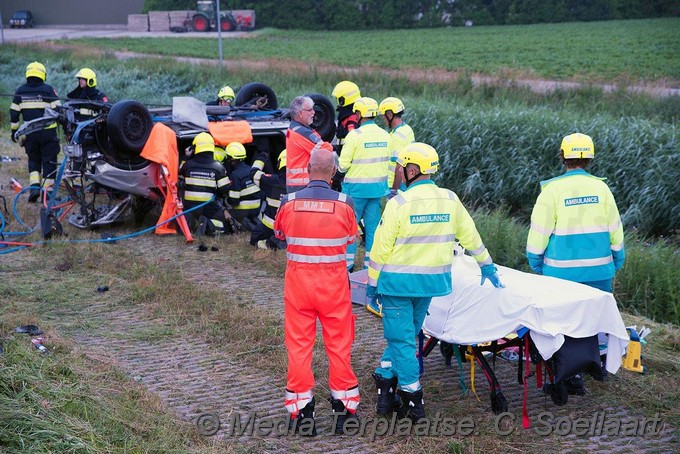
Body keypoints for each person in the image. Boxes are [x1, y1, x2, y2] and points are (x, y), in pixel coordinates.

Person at [367, 142, 504, 422]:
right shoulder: (450, 199)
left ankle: (412, 399)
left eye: (401, 168)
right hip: (430, 284)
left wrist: (372, 283)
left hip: (397, 285)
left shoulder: (399, 204)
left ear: (412, 170)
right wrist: (486, 265)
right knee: (406, 336)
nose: (399, 173)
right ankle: (385, 380)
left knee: (402, 339)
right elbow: (470, 235)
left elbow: (380, 249)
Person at [526, 132, 625, 394]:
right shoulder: (602, 189)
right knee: (593, 319)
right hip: (599, 271)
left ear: (562, 156)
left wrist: (537, 264)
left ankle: (569, 376)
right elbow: (616, 231)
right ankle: (594, 367)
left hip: (561, 274)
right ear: (590, 158)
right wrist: (616, 261)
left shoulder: (552, 190)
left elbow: (538, 234)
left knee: (562, 325)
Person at [273, 149, 360, 435]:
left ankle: (302, 415)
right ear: (334, 172)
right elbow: (351, 239)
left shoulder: (288, 202)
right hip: (334, 287)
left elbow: (279, 234)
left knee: (299, 347)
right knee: (339, 346)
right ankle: (345, 412)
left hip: (299, 286)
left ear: (308, 168)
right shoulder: (345, 203)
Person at [338, 97, 391, 272]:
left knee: (350, 228)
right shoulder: (385, 135)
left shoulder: (355, 135)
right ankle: (370, 267)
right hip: (377, 190)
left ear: (359, 114)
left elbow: (343, 165)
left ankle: (348, 266)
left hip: (356, 191)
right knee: (373, 229)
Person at [10, 61, 62, 202]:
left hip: (30, 134)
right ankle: (48, 193)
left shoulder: (20, 91)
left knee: (33, 160)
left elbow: (14, 113)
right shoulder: (48, 90)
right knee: (49, 161)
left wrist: (14, 132)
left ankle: (34, 188)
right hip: (48, 133)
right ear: (42, 74)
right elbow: (58, 110)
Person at [179, 132, 232, 235]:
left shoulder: (187, 165)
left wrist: (186, 157)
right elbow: (225, 189)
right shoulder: (218, 167)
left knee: (189, 215)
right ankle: (208, 224)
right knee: (226, 227)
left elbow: (179, 174)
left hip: (189, 206)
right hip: (208, 207)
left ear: (194, 148)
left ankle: (192, 223)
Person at [285, 96, 333, 193]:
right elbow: (325, 151)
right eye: (310, 110)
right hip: (304, 186)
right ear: (300, 113)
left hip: (298, 185)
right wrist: (330, 146)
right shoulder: (302, 132)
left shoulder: (295, 129)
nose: (313, 112)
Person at [249, 149, 287, 250]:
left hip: (270, 227)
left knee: (254, 238)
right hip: (292, 229)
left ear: (279, 163)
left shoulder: (271, 181)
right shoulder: (302, 184)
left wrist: (262, 157)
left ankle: (270, 243)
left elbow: (253, 174)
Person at [379, 97, 414, 199]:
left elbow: (399, 165)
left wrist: (394, 190)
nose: (383, 119)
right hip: (404, 182)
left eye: (384, 116)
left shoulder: (397, 136)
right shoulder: (407, 129)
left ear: (390, 114)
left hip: (394, 185)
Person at [225, 142, 261, 230]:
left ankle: (242, 221)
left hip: (243, 210)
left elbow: (234, 201)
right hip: (257, 209)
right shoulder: (251, 169)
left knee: (224, 211)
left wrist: (226, 200)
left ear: (232, 159)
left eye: (228, 157)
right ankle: (251, 220)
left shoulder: (235, 175)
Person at [331, 80, 361, 153]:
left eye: (338, 98)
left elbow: (353, 141)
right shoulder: (352, 114)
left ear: (342, 100)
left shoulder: (352, 119)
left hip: (348, 156)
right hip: (343, 152)